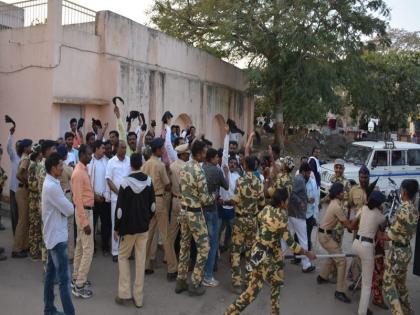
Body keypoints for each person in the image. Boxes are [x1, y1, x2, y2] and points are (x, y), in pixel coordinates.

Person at [224, 188, 316, 315]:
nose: (288, 202)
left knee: (276, 283)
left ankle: (275, 312)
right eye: (287, 200)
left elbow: (263, 227)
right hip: (265, 258)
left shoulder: (266, 209)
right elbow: (290, 243)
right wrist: (307, 253)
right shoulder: (281, 216)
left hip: (258, 251)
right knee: (252, 292)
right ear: (282, 202)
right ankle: (229, 312)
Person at [114, 153, 155, 308]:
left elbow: (120, 210)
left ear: (130, 164)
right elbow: (153, 207)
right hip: (143, 228)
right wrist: (146, 220)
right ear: (142, 164)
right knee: (140, 260)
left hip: (128, 229)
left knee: (123, 257)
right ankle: (139, 298)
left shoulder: (125, 183)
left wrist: (117, 228)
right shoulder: (149, 182)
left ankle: (124, 293)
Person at [175, 140, 213, 296]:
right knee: (204, 248)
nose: (205, 155)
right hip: (195, 214)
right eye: (204, 152)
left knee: (184, 246)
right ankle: (195, 282)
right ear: (198, 154)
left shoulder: (184, 167)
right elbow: (204, 199)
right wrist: (213, 197)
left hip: (183, 211)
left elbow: (181, 188)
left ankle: (181, 281)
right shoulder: (199, 171)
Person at [42, 153, 75, 315]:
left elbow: (64, 209)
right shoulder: (52, 187)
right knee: (64, 281)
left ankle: (49, 309)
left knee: (50, 276)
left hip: (53, 236)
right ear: (53, 168)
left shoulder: (52, 183)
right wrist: (67, 203)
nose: (63, 167)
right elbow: (69, 209)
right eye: (61, 165)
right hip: (57, 239)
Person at [141, 138, 177, 281]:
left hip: (149, 201)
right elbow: (168, 186)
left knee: (149, 234)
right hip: (160, 200)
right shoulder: (160, 165)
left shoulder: (145, 165)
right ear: (157, 150)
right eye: (162, 148)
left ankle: (145, 265)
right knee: (165, 234)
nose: (163, 150)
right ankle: (172, 268)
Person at [382, 179, 419, 315]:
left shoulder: (402, 209)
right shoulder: (414, 209)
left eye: (401, 189)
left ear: (404, 191)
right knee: (401, 285)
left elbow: (389, 236)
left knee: (388, 284)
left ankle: (398, 312)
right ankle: (409, 311)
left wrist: (381, 232)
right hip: (407, 250)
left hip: (397, 253)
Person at [230, 156, 265, 294]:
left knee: (236, 251)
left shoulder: (240, 181)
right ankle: (249, 281)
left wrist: (227, 201)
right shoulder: (259, 182)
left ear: (245, 165)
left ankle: (237, 283)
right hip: (252, 221)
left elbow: (236, 199)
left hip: (240, 220)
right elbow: (262, 203)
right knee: (251, 252)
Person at [317, 182, 354, 303]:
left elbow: (346, 223)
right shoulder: (337, 207)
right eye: (342, 191)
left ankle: (322, 277)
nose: (344, 193)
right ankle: (339, 291)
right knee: (342, 260)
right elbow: (348, 226)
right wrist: (358, 219)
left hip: (324, 234)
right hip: (325, 236)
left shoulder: (334, 203)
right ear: (338, 194)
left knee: (334, 255)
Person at [352, 191, 386, 315]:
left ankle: (362, 304)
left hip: (356, 244)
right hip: (367, 247)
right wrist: (381, 211)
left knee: (364, 272)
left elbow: (354, 221)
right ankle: (362, 312)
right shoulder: (380, 215)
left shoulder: (363, 208)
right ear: (379, 204)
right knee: (367, 284)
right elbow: (384, 227)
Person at [202, 148, 229, 287]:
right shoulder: (217, 171)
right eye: (217, 157)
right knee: (213, 244)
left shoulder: (201, 168)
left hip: (200, 210)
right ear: (212, 158)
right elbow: (227, 185)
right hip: (212, 210)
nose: (218, 160)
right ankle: (208, 276)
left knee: (202, 243)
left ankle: (200, 271)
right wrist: (226, 173)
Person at [71, 145, 94, 299]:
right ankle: (79, 285)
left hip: (85, 211)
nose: (91, 156)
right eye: (89, 154)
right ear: (81, 155)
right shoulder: (78, 173)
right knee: (88, 250)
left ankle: (75, 278)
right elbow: (78, 200)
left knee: (80, 246)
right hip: (83, 213)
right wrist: (85, 222)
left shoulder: (83, 169)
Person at [288, 162, 316, 273]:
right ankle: (306, 265)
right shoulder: (299, 180)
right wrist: (300, 202)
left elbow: (298, 194)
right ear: (304, 172)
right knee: (303, 240)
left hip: (294, 214)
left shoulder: (299, 179)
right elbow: (292, 193)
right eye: (308, 172)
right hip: (297, 215)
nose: (309, 175)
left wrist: (307, 200)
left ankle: (278, 259)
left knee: (285, 238)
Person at [106, 140, 131, 261]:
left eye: (125, 148)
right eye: (122, 147)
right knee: (115, 223)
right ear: (116, 148)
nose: (124, 150)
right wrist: (119, 193)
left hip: (128, 199)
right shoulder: (111, 162)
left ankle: (125, 250)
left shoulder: (129, 160)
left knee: (127, 223)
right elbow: (109, 180)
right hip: (116, 198)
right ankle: (115, 252)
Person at [347, 166, 370, 289]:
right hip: (357, 229)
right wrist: (348, 223)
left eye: (366, 178)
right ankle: (356, 281)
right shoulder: (354, 190)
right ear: (359, 177)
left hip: (369, 230)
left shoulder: (374, 190)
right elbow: (349, 206)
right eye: (362, 177)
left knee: (367, 256)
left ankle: (365, 282)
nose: (364, 180)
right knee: (356, 254)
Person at [88, 140, 111, 256]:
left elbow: (108, 179)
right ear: (96, 149)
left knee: (106, 224)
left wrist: (104, 195)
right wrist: (94, 195)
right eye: (102, 148)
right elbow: (87, 182)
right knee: (92, 224)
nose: (104, 150)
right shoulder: (89, 161)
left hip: (104, 198)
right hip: (93, 199)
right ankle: (92, 247)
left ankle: (105, 247)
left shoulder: (107, 161)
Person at [168, 144, 190, 263]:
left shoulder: (172, 166)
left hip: (175, 199)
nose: (189, 156)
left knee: (172, 231)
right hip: (185, 201)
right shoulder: (187, 167)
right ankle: (183, 258)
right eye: (187, 154)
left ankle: (168, 257)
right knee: (185, 232)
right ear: (183, 154)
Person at [12, 138, 32, 258]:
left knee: (25, 220)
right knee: (22, 221)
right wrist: (27, 182)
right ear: (25, 148)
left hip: (22, 190)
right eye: (30, 146)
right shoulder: (25, 158)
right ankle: (17, 249)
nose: (31, 147)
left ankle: (23, 246)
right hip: (22, 190)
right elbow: (19, 174)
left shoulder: (25, 157)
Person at [56, 145, 75, 261]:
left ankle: (60, 253)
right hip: (67, 196)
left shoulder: (54, 168)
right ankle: (70, 254)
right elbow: (73, 179)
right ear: (65, 156)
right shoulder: (66, 168)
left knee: (59, 226)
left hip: (58, 197)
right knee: (69, 226)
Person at [219, 156, 240, 252]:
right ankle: (217, 248)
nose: (232, 165)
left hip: (232, 208)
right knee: (219, 229)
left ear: (237, 166)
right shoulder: (223, 172)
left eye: (235, 163)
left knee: (231, 230)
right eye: (231, 162)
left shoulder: (238, 177)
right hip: (221, 206)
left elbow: (237, 192)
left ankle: (227, 246)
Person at [27, 143, 43, 260]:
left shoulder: (37, 164)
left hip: (37, 199)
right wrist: (40, 185)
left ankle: (36, 250)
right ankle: (34, 251)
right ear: (39, 154)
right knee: (34, 227)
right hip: (34, 200)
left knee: (37, 226)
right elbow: (30, 183)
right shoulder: (33, 166)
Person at [7, 125, 20, 235]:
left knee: (21, 214)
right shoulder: (14, 156)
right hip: (13, 189)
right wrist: (11, 135)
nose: (18, 147)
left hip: (22, 190)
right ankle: (15, 233)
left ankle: (19, 234)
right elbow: (8, 147)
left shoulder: (26, 158)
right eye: (17, 146)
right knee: (14, 212)